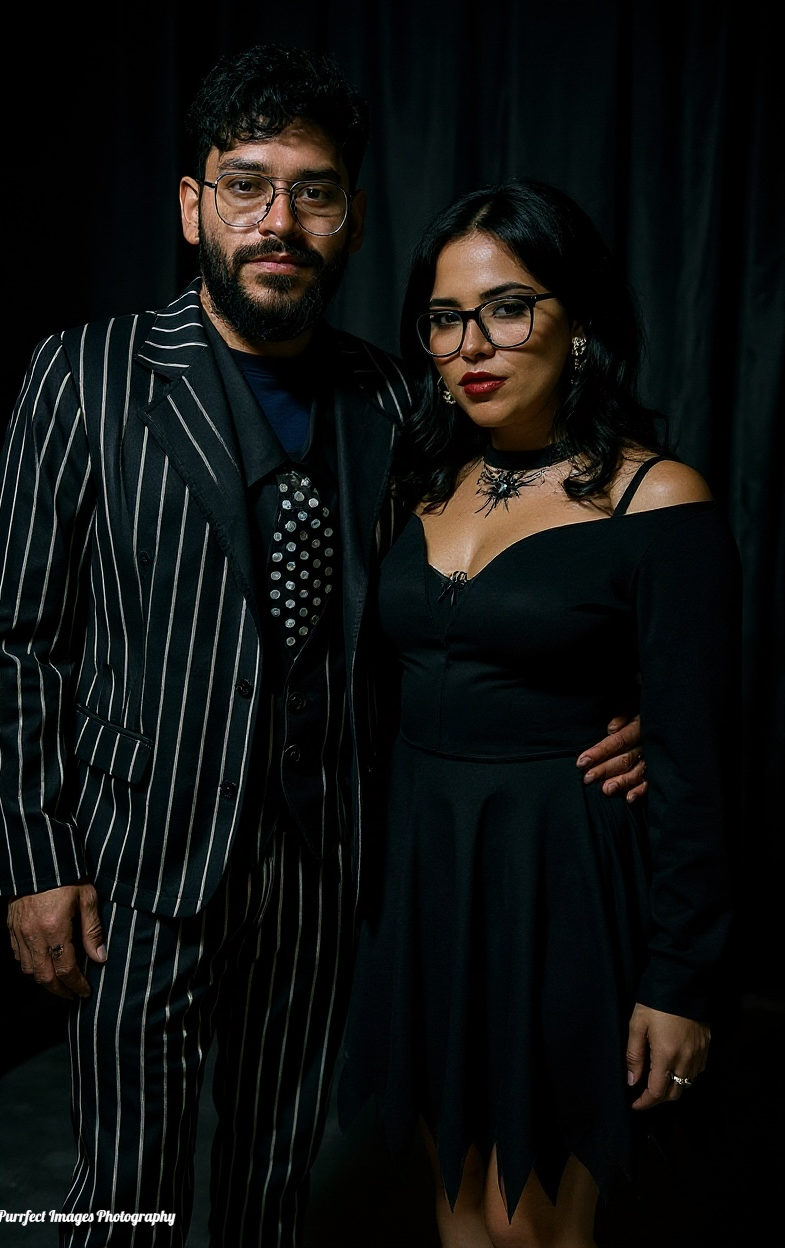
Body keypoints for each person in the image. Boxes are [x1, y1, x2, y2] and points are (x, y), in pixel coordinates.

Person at [0, 48, 645, 1248]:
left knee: (271, 1184)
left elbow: (498, 573)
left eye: (315, 190)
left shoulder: (394, 399)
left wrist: (622, 706)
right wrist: (35, 856)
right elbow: (17, 636)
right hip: (138, 866)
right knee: (122, 1194)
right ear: (193, 208)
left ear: (352, 217)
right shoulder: (82, 378)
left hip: (321, 872)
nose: (280, 219)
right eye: (247, 184)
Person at [338, 179, 741, 1248]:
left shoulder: (658, 499)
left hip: (556, 886)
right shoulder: (421, 479)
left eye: (508, 308)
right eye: (444, 317)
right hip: (426, 885)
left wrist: (679, 982)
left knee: (536, 1226)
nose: (473, 342)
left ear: (580, 324)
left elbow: (701, 764)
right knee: (454, 1205)